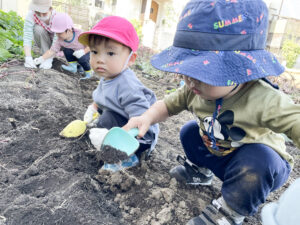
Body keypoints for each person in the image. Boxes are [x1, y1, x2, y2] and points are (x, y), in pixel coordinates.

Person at [123, 0, 300, 224]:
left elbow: (295, 120)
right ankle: (200, 172)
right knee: (189, 131)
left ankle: (229, 212)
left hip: (257, 171)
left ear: (239, 69)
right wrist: (146, 117)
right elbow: (167, 105)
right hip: (220, 153)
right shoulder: (194, 90)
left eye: (202, 73)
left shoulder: (263, 97)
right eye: (186, 73)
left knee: (259, 161)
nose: (189, 82)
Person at [78, 16, 159, 171]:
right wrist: (94, 107)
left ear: (130, 59)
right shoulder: (109, 75)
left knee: (106, 119)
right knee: (105, 118)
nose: (100, 60)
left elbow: (142, 120)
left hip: (141, 136)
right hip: (122, 120)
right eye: (94, 52)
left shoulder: (128, 86)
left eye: (110, 53)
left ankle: (127, 158)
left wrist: (117, 138)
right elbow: (103, 97)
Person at [34, 12, 92, 79]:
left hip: (85, 54)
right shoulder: (60, 40)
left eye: (60, 33)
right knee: (66, 50)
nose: (57, 35)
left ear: (69, 30)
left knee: (82, 59)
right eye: (56, 33)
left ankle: (88, 72)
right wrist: (41, 59)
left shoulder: (80, 34)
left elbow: (91, 46)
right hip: (74, 55)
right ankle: (73, 67)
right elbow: (52, 51)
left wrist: (83, 52)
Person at [23, 0, 56, 69]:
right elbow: (27, 36)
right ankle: (45, 54)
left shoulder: (57, 17)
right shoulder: (31, 15)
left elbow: (57, 41)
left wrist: (48, 58)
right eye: (38, 13)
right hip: (44, 42)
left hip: (58, 45)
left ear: (50, 9)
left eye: (44, 13)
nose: (41, 16)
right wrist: (28, 57)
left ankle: (48, 58)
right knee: (38, 29)